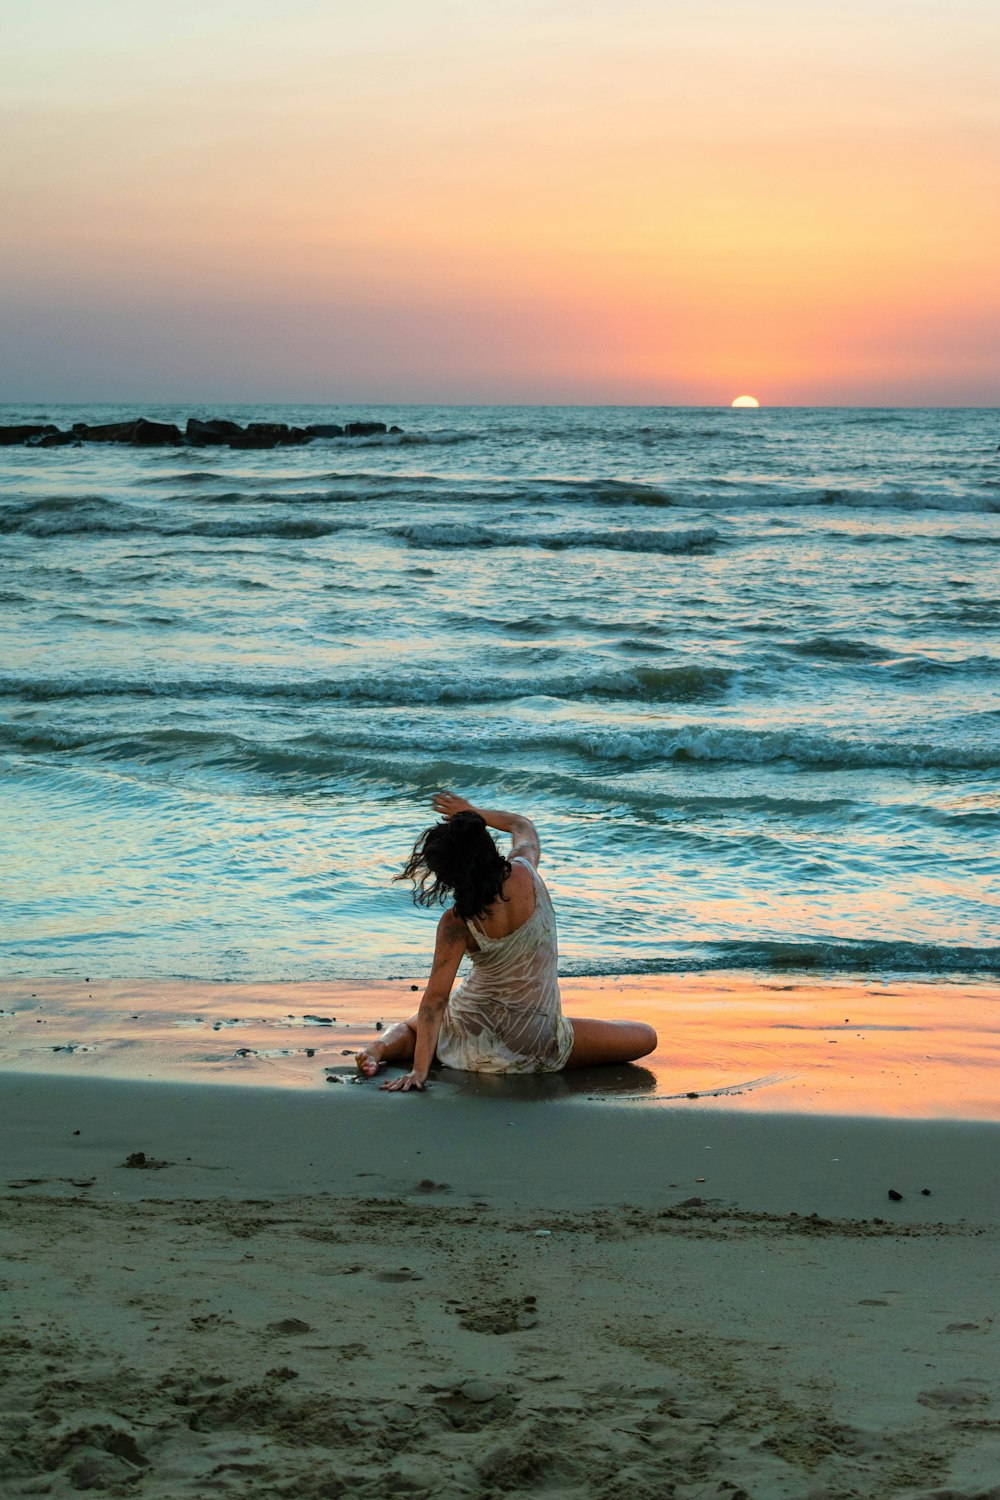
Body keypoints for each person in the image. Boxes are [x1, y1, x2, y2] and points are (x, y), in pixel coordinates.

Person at [356, 792, 657, 1092]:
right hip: (537, 1041)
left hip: (472, 1032)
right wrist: (472, 811)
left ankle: (377, 1050)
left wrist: (419, 1072)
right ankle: (382, 1051)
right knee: (646, 1036)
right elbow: (521, 825)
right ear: (487, 849)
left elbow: (435, 1000)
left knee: (414, 1027)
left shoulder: (457, 921)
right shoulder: (526, 870)